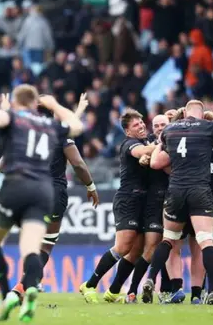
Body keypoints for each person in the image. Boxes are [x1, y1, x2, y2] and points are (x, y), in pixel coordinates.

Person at [0, 85, 84, 322]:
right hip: (43, 191)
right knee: (32, 248)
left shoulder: (13, 117)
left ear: (16, 102)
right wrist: (55, 105)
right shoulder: (51, 126)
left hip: (16, 185)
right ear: (36, 104)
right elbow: (77, 125)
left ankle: (6, 294)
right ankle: (31, 286)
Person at [143, 88, 213, 305]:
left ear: (185, 112)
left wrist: (160, 145)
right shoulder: (209, 127)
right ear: (202, 113)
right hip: (200, 190)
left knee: (168, 240)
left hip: (176, 190)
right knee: (204, 241)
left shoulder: (170, 130)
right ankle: (210, 290)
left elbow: (156, 163)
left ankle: (150, 280)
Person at [5, 93, 99, 298]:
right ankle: (22, 287)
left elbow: (3, 165)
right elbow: (78, 165)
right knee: (45, 245)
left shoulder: (25, 134)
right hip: (53, 192)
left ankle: (28, 282)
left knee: (32, 243)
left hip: (28, 192)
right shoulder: (60, 134)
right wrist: (90, 186)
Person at [79, 108, 156, 304]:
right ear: (128, 132)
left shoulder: (147, 142)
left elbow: (147, 151)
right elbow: (142, 152)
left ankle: (113, 291)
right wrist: (160, 147)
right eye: (136, 125)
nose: (141, 126)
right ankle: (89, 284)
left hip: (142, 202)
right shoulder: (129, 144)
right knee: (123, 245)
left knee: (136, 250)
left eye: (141, 123)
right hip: (128, 199)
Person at [109, 114, 170, 304]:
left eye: (164, 125)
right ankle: (133, 290)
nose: (160, 128)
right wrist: (147, 156)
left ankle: (170, 289)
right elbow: (143, 153)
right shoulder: (150, 143)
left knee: (167, 247)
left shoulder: (176, 140)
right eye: (157, 125)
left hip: (173, 198)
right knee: (148, 247)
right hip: (151, 201)